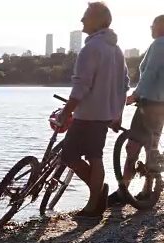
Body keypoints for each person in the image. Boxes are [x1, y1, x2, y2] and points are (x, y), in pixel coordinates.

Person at [57, 2, 129, 218]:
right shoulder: (116, 50)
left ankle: (94, 202)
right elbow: (124, 85)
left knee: (69, 156)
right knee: (95, 156)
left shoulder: (91, 48)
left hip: (87, 115)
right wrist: (118, 114)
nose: (81, 20)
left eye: (86, 16)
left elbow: (81, 85)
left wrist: (66, 111)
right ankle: (96, 199)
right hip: (104, 116)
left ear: (98, 20)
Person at [108, 15, 164, 206]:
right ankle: (148, 190)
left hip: (149, 103)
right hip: (161, 105)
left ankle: (124, 191)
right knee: (151, 146)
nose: (151, 28)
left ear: (160, 26)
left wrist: (135, 95)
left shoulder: (158, 45)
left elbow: (149, 75)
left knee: (132, 146)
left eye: (153, 25)